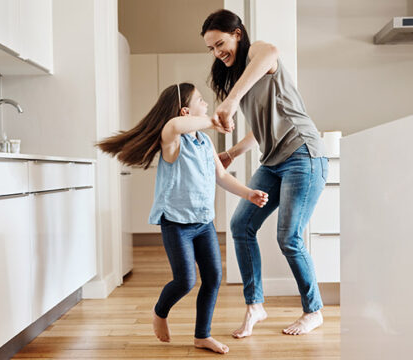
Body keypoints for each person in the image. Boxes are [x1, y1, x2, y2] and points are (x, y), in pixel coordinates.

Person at [97, 83, 269, 354]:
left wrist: (249, 195)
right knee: (185, 280)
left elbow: (221, 176)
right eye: (201, 100)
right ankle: (160, 312)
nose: (207, 105)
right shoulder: (173, 141)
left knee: (213, 277)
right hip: (176, 223)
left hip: (203, 223)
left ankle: (202, 335)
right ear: (186, 110)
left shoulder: (205, 142)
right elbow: (175, 125)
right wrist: (212, 121)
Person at [201, 10, 329, 338]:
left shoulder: (258, 52)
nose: (218, 52)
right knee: (241, 225)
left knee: (289, 237)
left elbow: (272, 52)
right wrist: (231, 152)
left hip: (303, 153)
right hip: (273, 160)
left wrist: (230, 102)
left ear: (238, 34)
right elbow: (262, 129)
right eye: (212, 49)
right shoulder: (237, 76)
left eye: (221, 43)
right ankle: (255, 305)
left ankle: (313, 310)